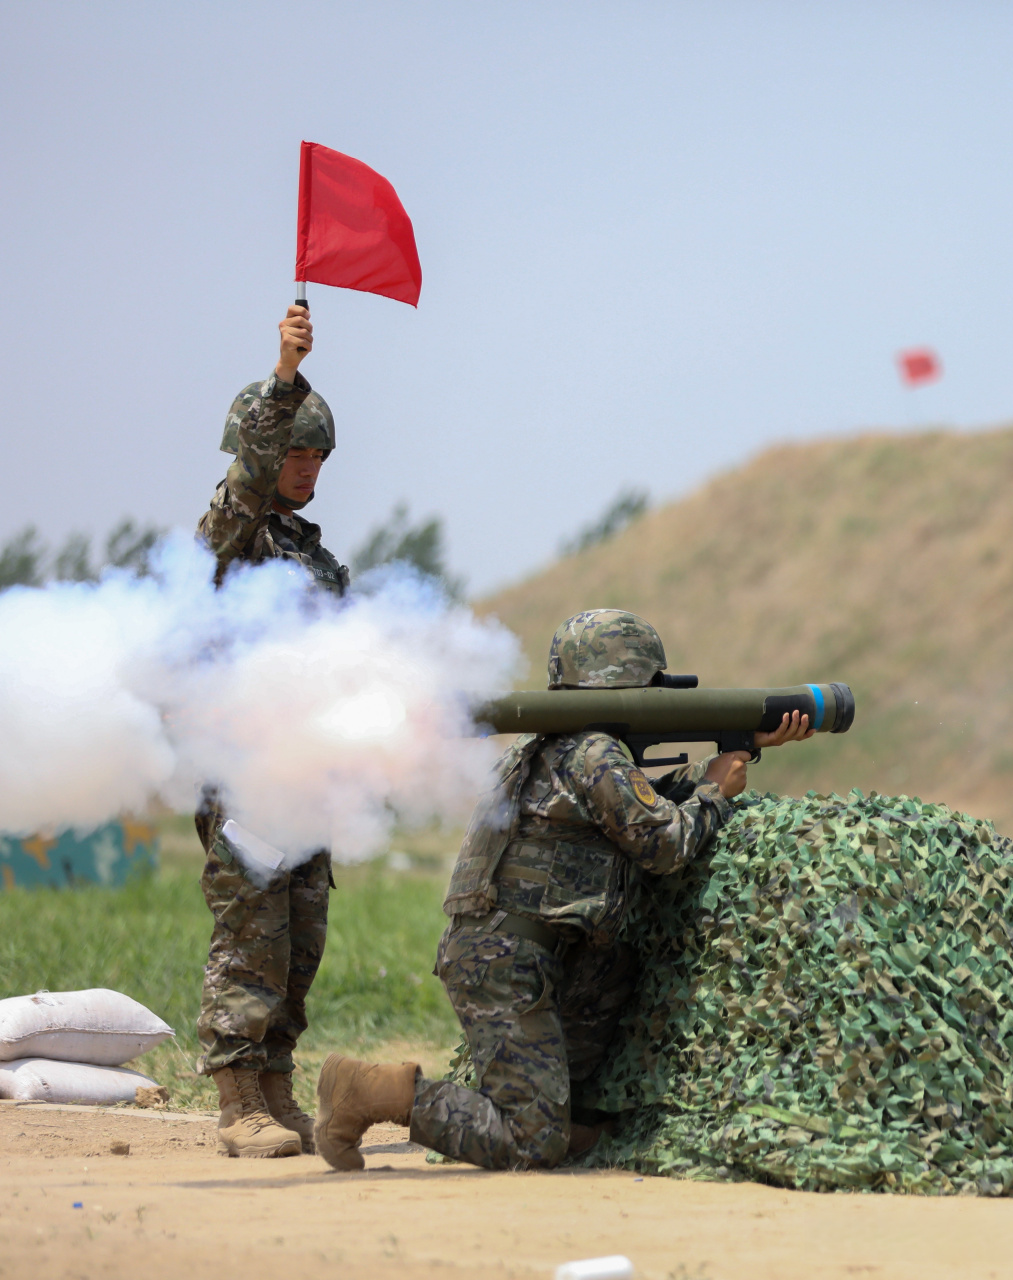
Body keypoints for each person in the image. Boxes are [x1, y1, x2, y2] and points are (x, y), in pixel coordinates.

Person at [312, 609, 816, 1171]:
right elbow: (664, 845)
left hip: (533, 954)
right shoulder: (593, 754)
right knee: (533, 1142)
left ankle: (564, 1111)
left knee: (616, 971)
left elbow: (634, 804)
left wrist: (741, 748)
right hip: (507, 962)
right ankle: (369, 1090)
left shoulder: (557, 747)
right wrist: (715, 794)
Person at [192, 304, 347, 1157]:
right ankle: (237, 1101)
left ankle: (279, 1086)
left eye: (318, 456)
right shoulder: (234, 535)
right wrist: (284, 377)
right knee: (250, 934)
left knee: (300, 937)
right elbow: (245, 483)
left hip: (306, 775)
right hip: (246, 771)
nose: (306, 468)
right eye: (294, 451)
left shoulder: (316, 558)